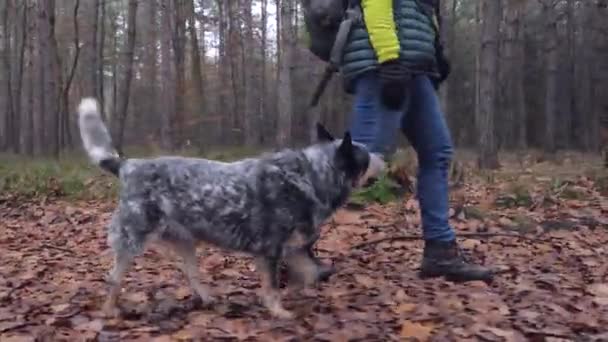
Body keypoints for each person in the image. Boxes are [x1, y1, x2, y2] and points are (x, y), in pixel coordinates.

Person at [337, 0, 494, 282]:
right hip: (384, 67)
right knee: (357, 163)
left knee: (437, 152)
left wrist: (435, 53)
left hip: (415, 70)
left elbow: (418, 13)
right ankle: (292, 244)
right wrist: (389, 60)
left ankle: (440, 252)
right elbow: (376, 5)